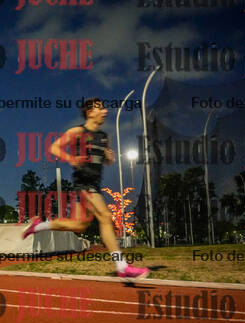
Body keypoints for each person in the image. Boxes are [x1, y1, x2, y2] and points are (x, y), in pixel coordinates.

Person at [22, 98, 150, 279]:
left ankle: (39, 226)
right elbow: (54, 148)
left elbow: (106, 160)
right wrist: (71, 159)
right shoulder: (77, 132)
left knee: (79, 226)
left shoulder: (104, 137)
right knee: (105, 217)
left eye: (104, 108)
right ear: (89, 112)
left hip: (94, 185)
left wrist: (109, 158)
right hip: (83, 184)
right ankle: (122, 266)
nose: (105, 111)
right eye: (100, 108)